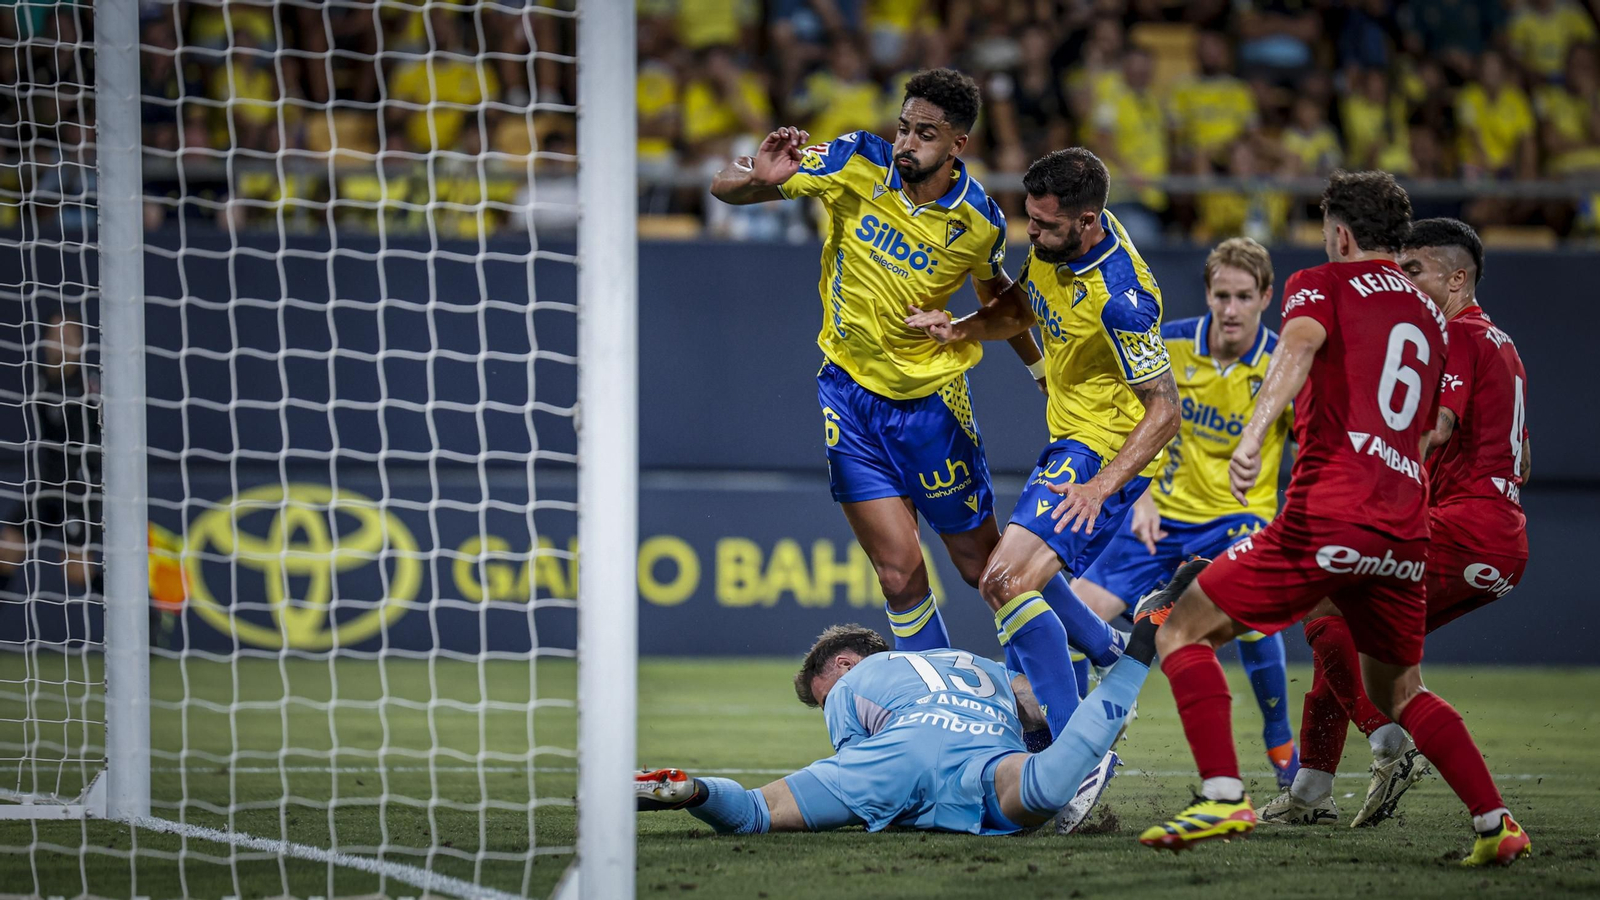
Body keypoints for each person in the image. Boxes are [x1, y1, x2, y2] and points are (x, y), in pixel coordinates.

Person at [1139, 171, 1531, 868]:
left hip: (1329, 513)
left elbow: (1294, 349)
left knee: (1183, 628)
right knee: (1398, 688)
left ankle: (1225, 794)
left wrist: (1256, 433)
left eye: (1325, 228)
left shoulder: (1322, 281)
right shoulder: (1430, 315)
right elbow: (1424, 430)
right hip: (1406, 527)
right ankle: (1495, 823)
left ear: (1340, 233)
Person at [709, 71, 1127, 719]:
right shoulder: (854, 160)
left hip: (930, 407)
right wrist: (760, 180)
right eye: (904, 127)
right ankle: (944, 720)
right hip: (846, 399)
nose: (906, 142)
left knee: (985, 567)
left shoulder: (979, 219)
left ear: (956, 143)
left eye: (924, 134)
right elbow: (723, 186)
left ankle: (1101, 649)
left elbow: (1006, 309)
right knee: (899, 574)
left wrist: (1043, 375)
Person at [904, 148, 1181, 741]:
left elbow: (1165, 411)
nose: (1033, 232)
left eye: (1047, 224)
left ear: (1088, 221)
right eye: (1031, 218)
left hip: (1102, 452)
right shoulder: (1055, 247)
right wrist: (959, 327)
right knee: (1011, 576)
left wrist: (1101, 485)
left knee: (1004, 582)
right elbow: (1022, 308)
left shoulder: (1123, 299)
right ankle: (1109, 649)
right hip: (1070, 439)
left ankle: (1075, 748)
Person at [1264, 218, 1532, 830]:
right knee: (1346, 635)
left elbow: (1433, 426)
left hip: (1466, 526)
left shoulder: (1457, 334)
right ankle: (1310, 791)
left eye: (1414, 270)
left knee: (1325, 600)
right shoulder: (1502, 343)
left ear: (1456, 278)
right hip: (1497, 530)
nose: (1401, 280)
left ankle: (1388, 738)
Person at [635, 575, 1181, 837]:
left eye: (822, 696)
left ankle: (690, 788)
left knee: (754, 812)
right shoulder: (970, 662)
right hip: (986, 751)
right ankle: (1132, 657)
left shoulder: (854, 684)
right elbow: (1039, 702)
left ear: (844, 665)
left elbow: (864, 762)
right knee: (1043, 785)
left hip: (901, 753)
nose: (826, 707)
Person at [1072, 237, 1300, 789]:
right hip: (1159, 520)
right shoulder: (1170, 346)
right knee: (1074, 616)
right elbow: (1127, 421)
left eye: (1244, 296)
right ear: (1207, 293)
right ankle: (1078, 740)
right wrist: (1141, 494)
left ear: (1265, 297)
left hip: (1236, 523)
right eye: (1221, 295)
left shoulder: (1284, 367)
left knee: (1250, 620)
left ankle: (1280, 744)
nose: (1230, 309)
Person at [0, 311, 101, 597]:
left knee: (76, 572)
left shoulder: (88, 386)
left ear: (79, 343)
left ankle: (148, 613)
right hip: (47, 487)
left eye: (67, 336)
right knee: (7, 548)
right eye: (54, 335)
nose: (59, 342)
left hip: (79, 490)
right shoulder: (41, 378)